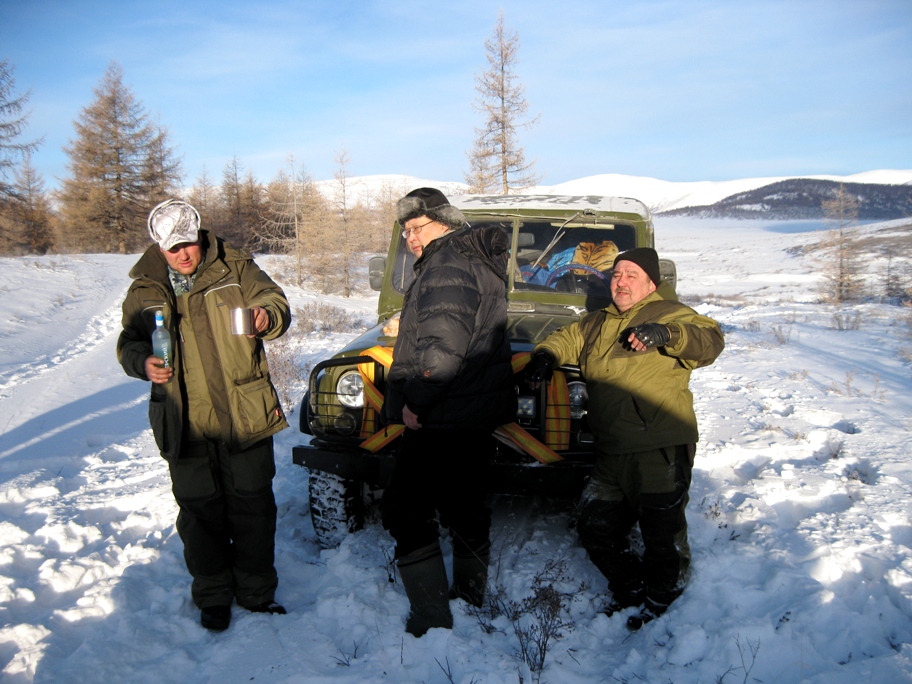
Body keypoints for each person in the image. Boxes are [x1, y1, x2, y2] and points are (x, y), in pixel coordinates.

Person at [525, 247, 724, 630]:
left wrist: (666, 334)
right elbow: (567, 338)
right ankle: (631, 587)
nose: (621, 282)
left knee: (661, 533)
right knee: (594, 524)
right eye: (616, 275)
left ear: (652, 282)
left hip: (657, 446)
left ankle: (663, 601)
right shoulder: (598, 320)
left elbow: (710, 341)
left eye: (632, 275)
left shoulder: (670, 314)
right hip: (611, 450)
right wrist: (546, 355)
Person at [117, 199, 291, 632]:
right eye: (173, 247)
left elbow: (275, 300)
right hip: (184, 418)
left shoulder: (235, 267)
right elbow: (128, 342)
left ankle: (256, 592)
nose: (183, 254)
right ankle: (213, 595)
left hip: (243, 412)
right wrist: (141, 362)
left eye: (188, 244)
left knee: (252, 506)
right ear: (159, 247)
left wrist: (265, 314)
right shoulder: (144, 288)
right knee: (199, 512)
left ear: (200, 237)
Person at [380, 188, 516, 637]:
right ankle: (470, 595)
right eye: (406, 231)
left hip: (442, 412)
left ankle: (432, 615)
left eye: (417, 227)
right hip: (469, 410)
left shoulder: (448, 262)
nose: (411, 237)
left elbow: (442, 347)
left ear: (445, 222)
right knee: (464, 503)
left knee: (403, 509)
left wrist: (416, 401)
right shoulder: (473, 259)